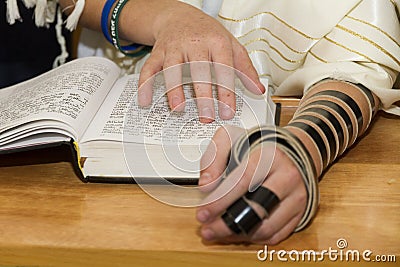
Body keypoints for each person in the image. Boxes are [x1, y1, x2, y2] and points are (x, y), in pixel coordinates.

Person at [7, 0, 400, 244]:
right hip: (85, 176)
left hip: (239, 161)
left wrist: (302, 145)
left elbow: (358, 66)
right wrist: (167, 16)